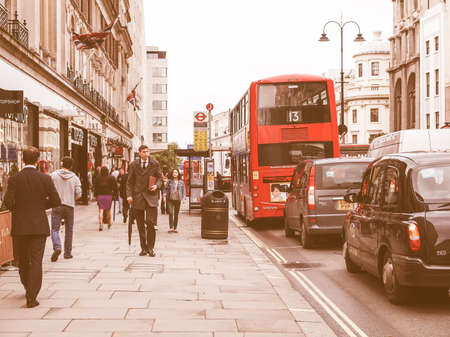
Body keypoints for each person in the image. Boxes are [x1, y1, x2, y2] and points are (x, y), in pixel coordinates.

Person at [3, 146, 61, 308]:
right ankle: (32, 297)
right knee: (36, 261)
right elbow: (56, 201)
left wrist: (19, 209)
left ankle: (28, 286)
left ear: (22, 160)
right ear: (37, 160)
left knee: (22, 260)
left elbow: (8, 202)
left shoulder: (14, 179)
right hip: (38, 226)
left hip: (20, 226)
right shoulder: (45, 179)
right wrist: (41, 205)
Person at [126, 145, 162, 257]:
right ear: (139, 153)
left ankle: (151, 248)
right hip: (138, 197)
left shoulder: (155, 163)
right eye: (144, 152)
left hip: (151, 197)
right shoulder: (133, 165)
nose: (146, 154)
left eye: (148, 151)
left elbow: (160, 178)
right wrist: (129, 196)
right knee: (140, 224)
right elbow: (129, 182)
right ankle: (144, 248)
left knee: (151, 223)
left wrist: (157, 185)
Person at [50, 157, 82, 262]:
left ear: (61, 164)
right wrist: (73, 198)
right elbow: (78, 193)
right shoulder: (75, 178)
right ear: (71, 166)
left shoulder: (53, 175)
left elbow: (48, 189)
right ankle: (67, 253)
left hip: (56, 205)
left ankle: (57, 246)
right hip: (69, 206)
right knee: (69, 229)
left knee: (55, 229)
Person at [94, 166, 117, 231]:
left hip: (100, 195)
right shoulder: (111, 177)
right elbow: (115, 187)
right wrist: (115, 193)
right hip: (108, 196)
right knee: (108, 211)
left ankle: (101, 224)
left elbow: (95, 187)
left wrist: (95, 195)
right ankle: (109, 223)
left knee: (100, 210)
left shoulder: (98, 178)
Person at [165, 168, 186, 233]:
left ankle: (175, 228)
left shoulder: (181, 182)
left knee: (176, 214)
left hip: (178, 199)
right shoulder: (169, 181)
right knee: (171, 213)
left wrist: (184, 198)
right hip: (170, 199)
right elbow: (165, 189)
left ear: (178, 174)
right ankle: (171, 227)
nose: (175, 174)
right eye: (174, 172)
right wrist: (163, 196)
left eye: (176, 172)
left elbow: (184, 190)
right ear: (172, 173)